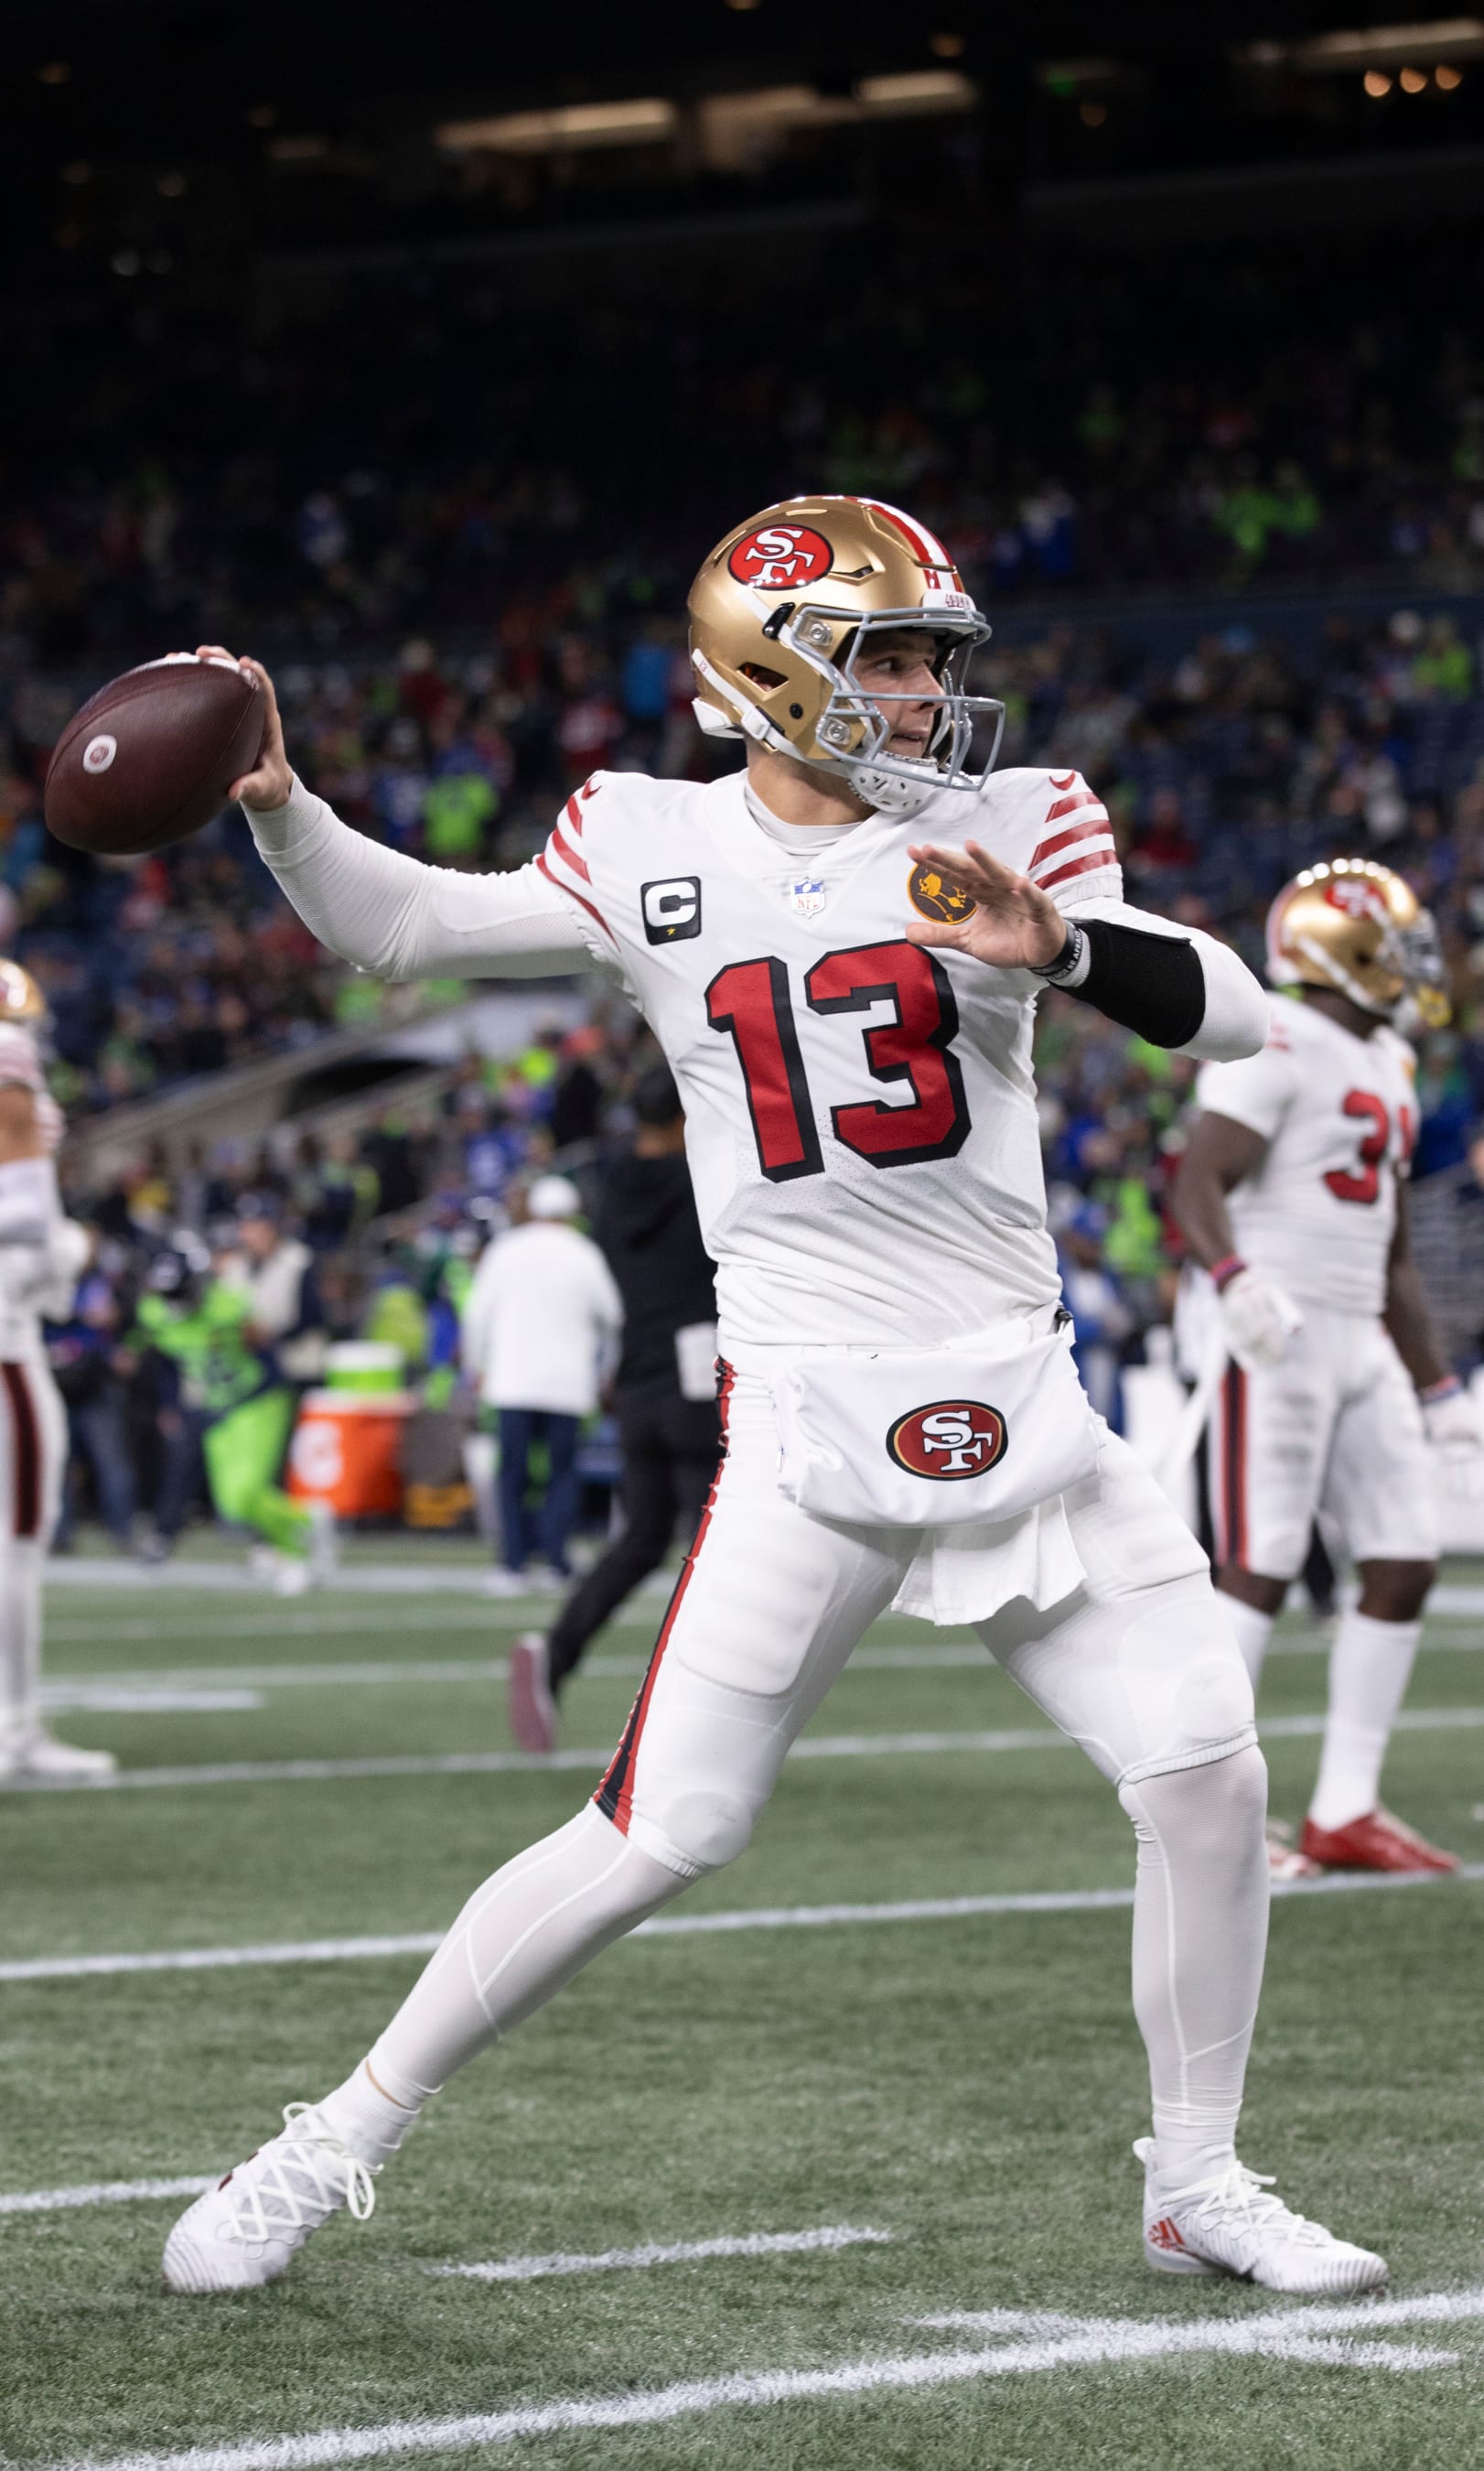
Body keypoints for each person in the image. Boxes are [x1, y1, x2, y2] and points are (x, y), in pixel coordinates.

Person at [166, 495, 1384, 2300]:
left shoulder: (1016, 817)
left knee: (1206, 1776)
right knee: (662, 1830)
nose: (919, 691)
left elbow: (1224, 1016)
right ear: (765, 668)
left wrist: (1053, 949)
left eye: (929, 657)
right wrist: (279, 807)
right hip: (810, 1433)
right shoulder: (645, 837)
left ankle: (1195, 2175)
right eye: (884, 657)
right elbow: (408, 927)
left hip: (1024, 1419)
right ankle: (326, 2140)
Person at [1174, 858, 1484, 1876]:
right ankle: (1203, 1820)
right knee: (1256, 1564)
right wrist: (1231, 1276)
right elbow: (1197, 1179)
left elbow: (1389, 1245)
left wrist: (1434, 1382)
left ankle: (1343, 1808)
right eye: (1390, 949)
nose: (1408, 968)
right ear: (1338, 950)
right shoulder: (1272, 1033)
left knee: (1402, 1559)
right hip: (1277, 1332)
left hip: (1358, 1336)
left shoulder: (1385, 1058)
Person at [507, 1063, 721, 1752]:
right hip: (698, 1380)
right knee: (711, 1550)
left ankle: (558, 1650)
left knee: (639, 1540)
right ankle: (692, 1704)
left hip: (636, 1381)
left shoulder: (613, 1187)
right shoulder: (705, 1181)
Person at [0, 962, 112, 1781]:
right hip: (5, 1341)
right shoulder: (9, 1050)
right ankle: (14, 1729)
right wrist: (76, 1250)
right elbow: (33, 1221)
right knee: (17, 1548)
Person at [136, 1231, 335, 1594]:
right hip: (215, 1405)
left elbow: (264, 1347)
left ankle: (295, 1551)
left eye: (180, 1293)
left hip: (256, 1399)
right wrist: (171, 1402)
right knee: (232, 1506)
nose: (175, 1303)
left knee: (247, 1491)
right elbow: (160, 1360)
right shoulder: (155, 1314)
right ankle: (308, 1521)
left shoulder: (228, 1306)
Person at [459, 1174, 621, 1594]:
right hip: (568, 1386)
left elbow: (477, 1315)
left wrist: (477, 1367)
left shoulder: (506, 1249)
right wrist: (607, 1370)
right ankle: (556, 1561)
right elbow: (613, 1318)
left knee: (512, 1474)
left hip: (511, 1381)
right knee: (562, 1473)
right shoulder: (585, 1254)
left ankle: (513, 1564)